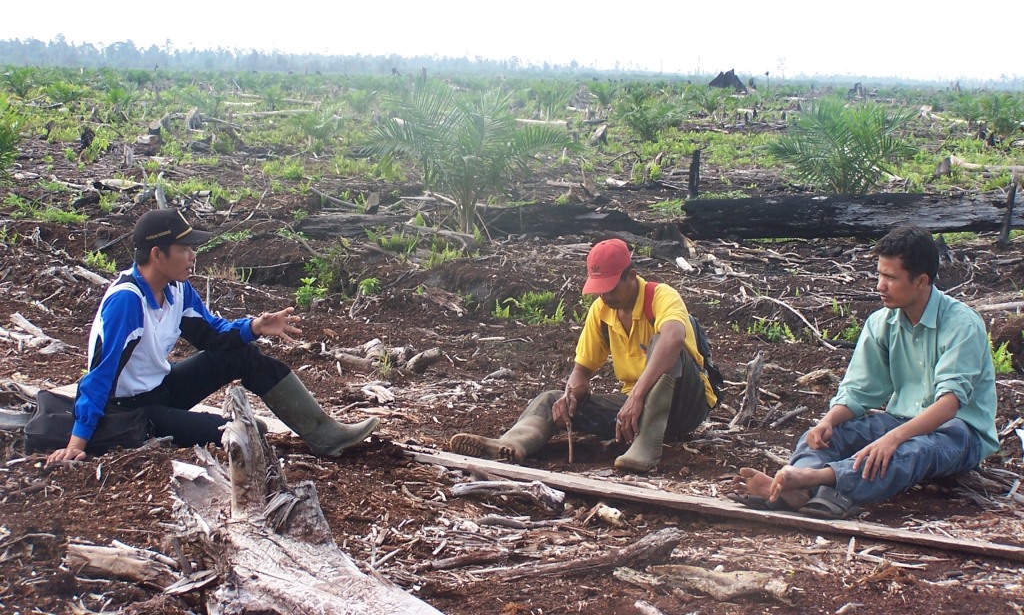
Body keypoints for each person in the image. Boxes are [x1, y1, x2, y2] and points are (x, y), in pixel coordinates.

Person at [46, 209, 378, 464]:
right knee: (249, 433)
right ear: (157, 254)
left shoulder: (176, 289)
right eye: (184, 248)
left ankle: (324, 434)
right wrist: (77, 443)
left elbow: (211, 336)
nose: (193, 256)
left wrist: (254, 327)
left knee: (242, 354)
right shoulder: (127, 302)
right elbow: (101, 375)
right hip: (129, 411)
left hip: (161, 389)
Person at [732, 225, 998, 518]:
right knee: (822, 435)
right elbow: (859, 391)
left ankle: (815, 480)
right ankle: (802, 490)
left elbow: (949, 405)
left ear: (922, 281)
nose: (880, 286)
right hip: (899, 419)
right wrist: (828, 421)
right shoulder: (881, 322)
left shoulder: (962, 325)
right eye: (879, 275)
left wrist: (893, 438)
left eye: (891, 278)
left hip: (959, 432)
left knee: (911, 451)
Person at [449, 238, 718, 472]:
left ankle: (646, 448)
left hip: (685, 406)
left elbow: (673, 339)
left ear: (631, 276)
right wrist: (571, 395)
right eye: (600, 288)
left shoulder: (661, 296)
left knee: (664, 344)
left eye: (611, 287)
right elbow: (581, 372)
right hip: (635, 409)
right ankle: (512, 444)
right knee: (552, 399)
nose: (604, 295)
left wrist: (636, 396)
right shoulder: (601, 311)